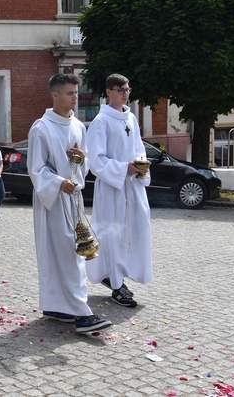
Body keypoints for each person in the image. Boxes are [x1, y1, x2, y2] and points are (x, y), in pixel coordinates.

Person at [27, 73, 111, 335]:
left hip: (72, 199)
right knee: (67, 255)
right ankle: (82, 314)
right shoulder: (41, 128)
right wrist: (58, 182)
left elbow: (82, 166)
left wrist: (80, 159)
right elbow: (36, 169)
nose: (75, 97)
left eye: (76, 92)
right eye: (69, 93)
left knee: (67, 254)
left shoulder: (78, 126)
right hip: (52, 201)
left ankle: (57, 307)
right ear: (54, 95)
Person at [85, 73, 152, 308]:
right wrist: (124, 168)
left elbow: (139, 147)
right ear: (108, 93)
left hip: (132, 186)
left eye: (127, 89)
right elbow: (96, 160)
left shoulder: (131, 118)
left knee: (136, 230)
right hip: (113, 188)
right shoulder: (101, 122)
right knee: (113, 235)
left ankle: (120, 273)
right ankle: (116, 284)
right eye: (120, 89)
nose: (125, 93)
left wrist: (141, 165)